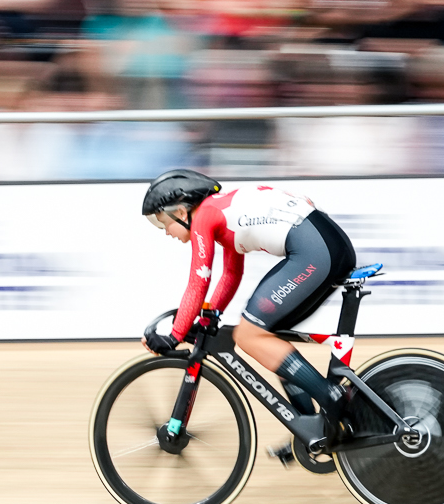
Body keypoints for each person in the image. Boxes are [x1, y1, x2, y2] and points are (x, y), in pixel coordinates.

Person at [140, 168, 358, 419]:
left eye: (163, 223)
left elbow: (199, 281)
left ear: (180, 212)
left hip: (318, 253)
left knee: (248, 335)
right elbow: (231, 274)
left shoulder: (204, 217)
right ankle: (310, 426)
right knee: (267, 335)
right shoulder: (221, 212)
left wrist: (175, 334)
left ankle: (334, 398)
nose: (166, 231)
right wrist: (210, 315)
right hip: (326, 247)